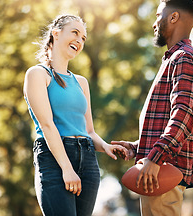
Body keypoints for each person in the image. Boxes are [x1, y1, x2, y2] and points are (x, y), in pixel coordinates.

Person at [112, 0, 193, 216]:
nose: (154, 22)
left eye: (159, 15)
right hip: (157, 170)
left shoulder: (183, 58)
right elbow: (172, 120)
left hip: (162, 172)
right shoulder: (175, 58)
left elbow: (183, 115)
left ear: (174, 17)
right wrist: (139, 147)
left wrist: (155, 157)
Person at [23, 14, 127, 216]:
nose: (79, 41)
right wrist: (67, 169)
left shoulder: (81, 83)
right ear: (56, 33)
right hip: (55, 160)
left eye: (83, 38)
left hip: (88, 161)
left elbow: (89, 131)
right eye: (75, 33)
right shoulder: (37, 74)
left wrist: (106, 146)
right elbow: (47, 125)